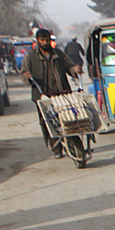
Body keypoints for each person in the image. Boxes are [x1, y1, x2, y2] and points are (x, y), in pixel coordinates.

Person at [20, 28, 82, 159]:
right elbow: (24, 72)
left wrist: (75, 69)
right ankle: (56, 148)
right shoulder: (31, 56)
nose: (45, 42)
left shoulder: (58, 54)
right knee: (47, 123)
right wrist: (27, 75)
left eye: (47, 40)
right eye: (42, 40)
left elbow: (69, 66)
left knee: (69, 119)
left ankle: (73, 143)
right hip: (42, 96)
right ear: (37, 41)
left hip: (62, 94)